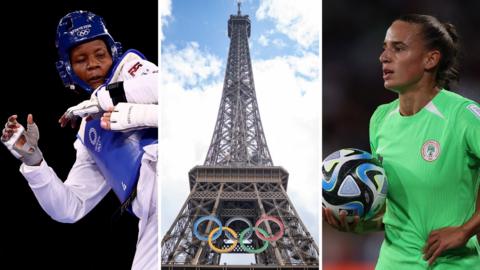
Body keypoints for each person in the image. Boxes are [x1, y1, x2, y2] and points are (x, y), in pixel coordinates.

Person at [1, 10, 158, 270]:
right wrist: (34, 162)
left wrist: (105, 101)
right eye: (81, 59)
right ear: (68, 69)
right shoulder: (88, 133)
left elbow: (164, 87)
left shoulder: (130, 69)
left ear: (113, 54)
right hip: (151, 216)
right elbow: (70, 208)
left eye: (100, 55)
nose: (93, 64)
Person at [324, 14, 480, 269]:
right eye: (384, 48)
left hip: (453, 264)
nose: (384, 57)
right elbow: (392, 211)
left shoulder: (462, 115)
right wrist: (361, 223)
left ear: (431, 59)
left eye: (398, 48)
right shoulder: (380, 119)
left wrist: (465, 230)